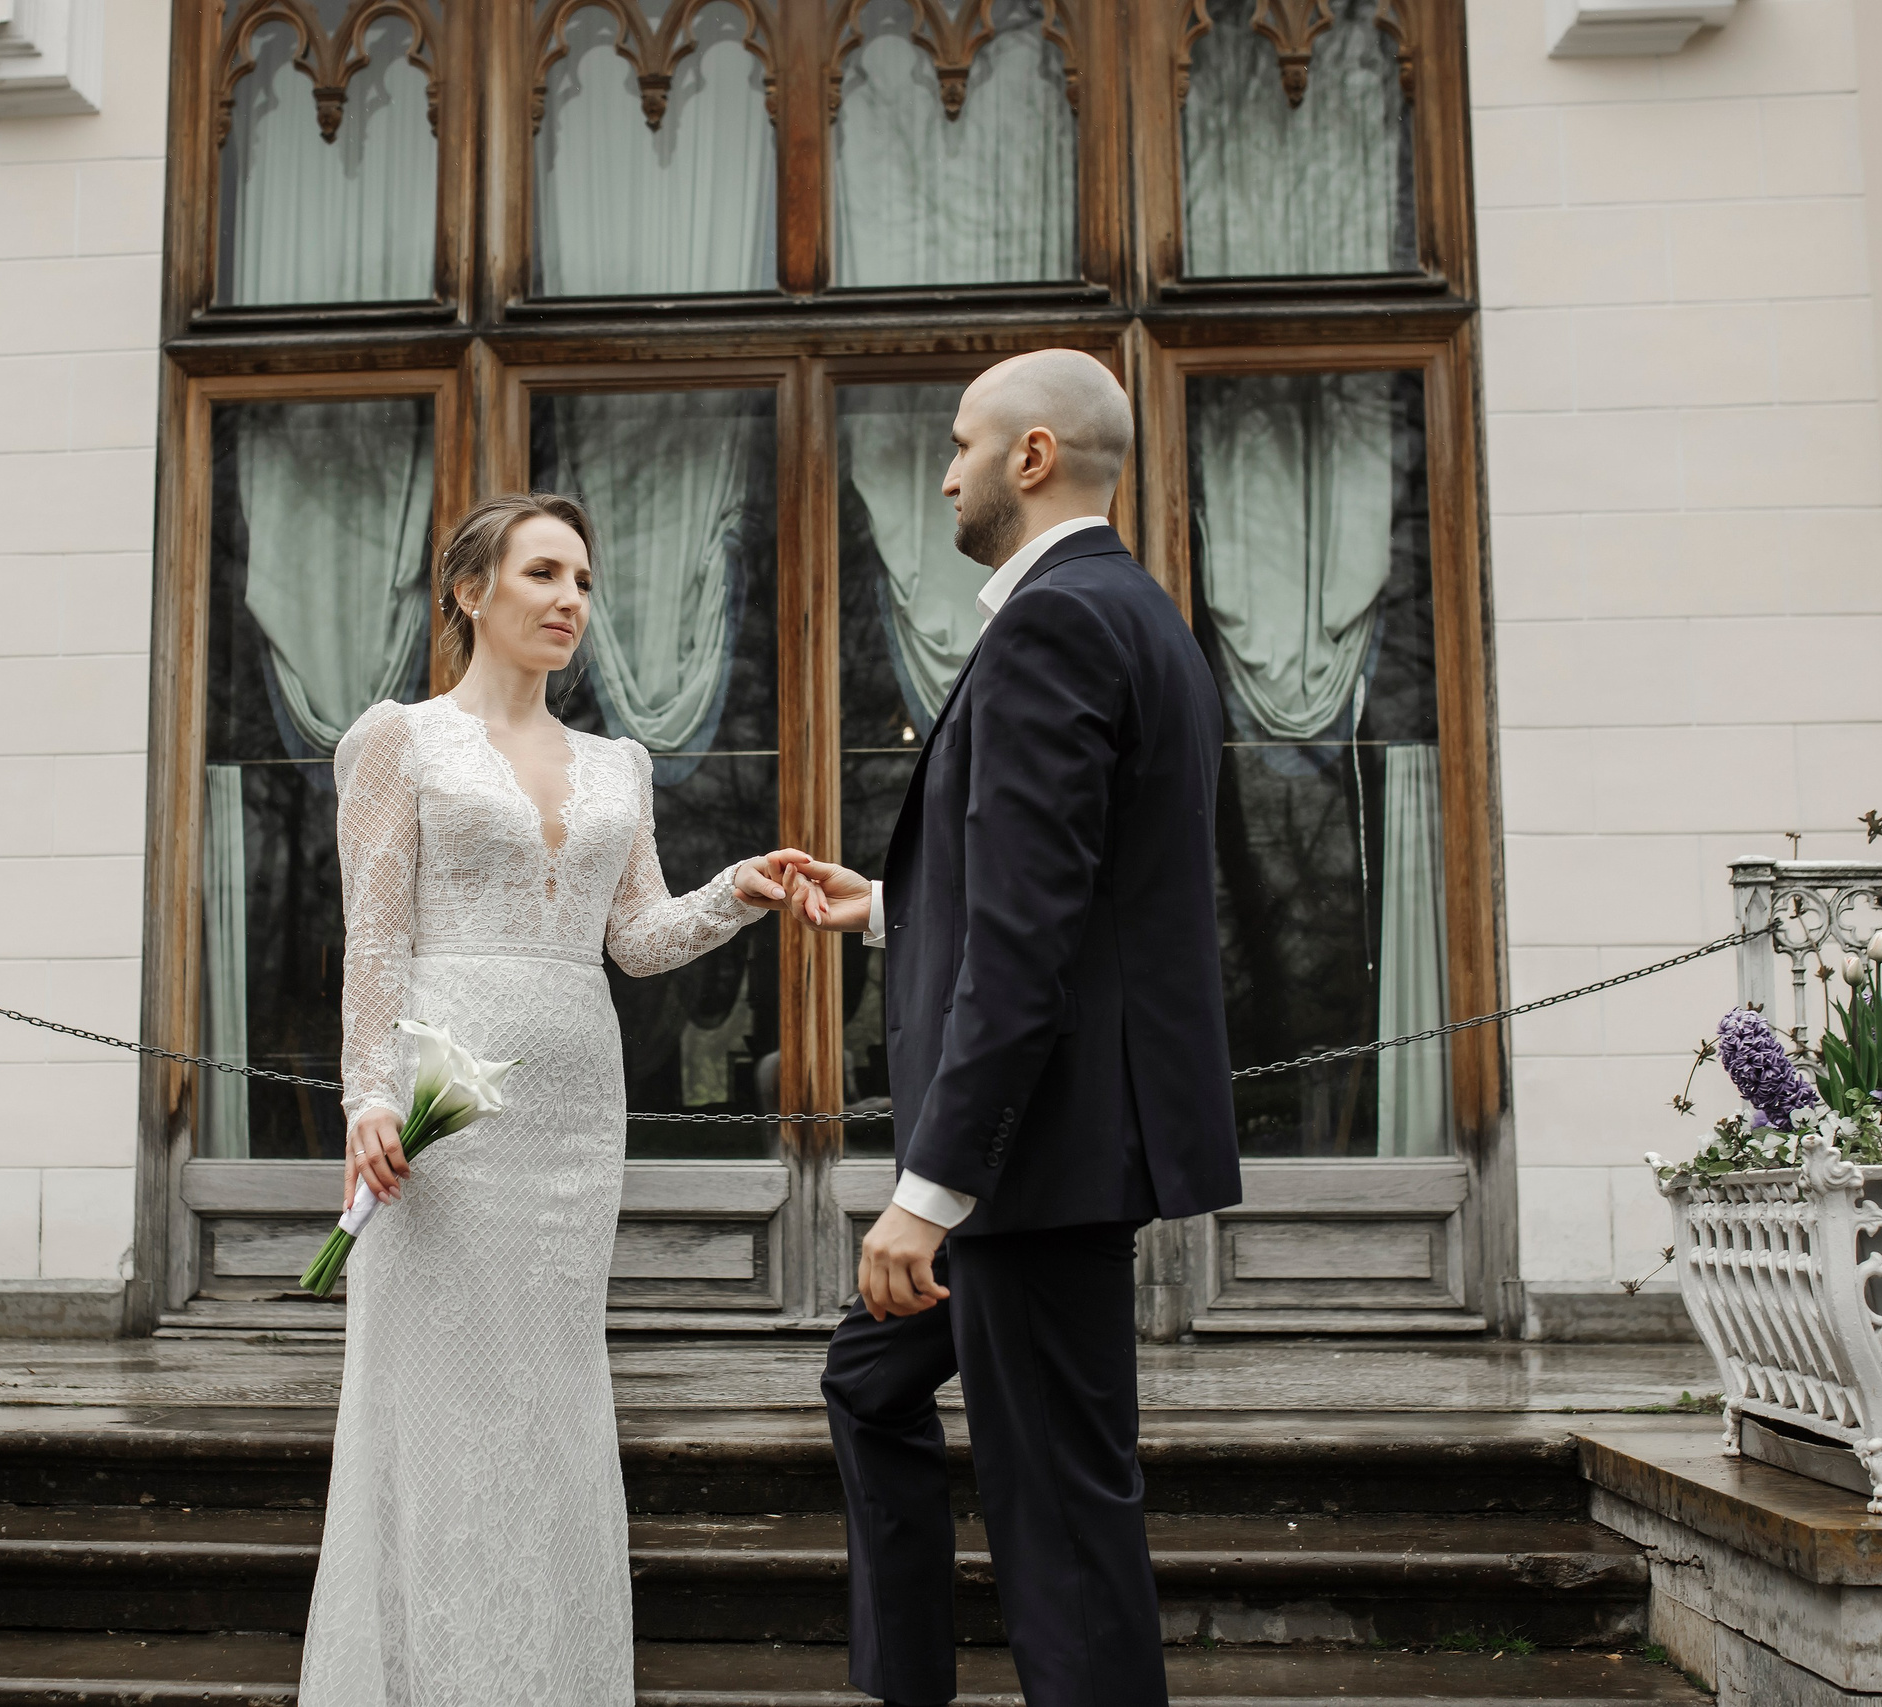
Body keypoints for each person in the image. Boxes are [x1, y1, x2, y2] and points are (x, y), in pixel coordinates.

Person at [782, 349, 1241, 1707]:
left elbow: (1036, 945)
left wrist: (928, 1194)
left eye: (960, 443)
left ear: (1030, 456)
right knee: (871, 1376)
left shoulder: (1055, 623)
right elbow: (1065, 906)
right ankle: (905, 1681)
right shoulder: (1130, 610)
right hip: (1057, 1145)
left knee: (1062, 1518)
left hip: (1034, 1169)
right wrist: (887, 911)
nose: (944, 470)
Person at [299, 492, 808, 1706]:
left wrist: (738, 888)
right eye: (542, 573)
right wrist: (368, 1097)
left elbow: (632, 939)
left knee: (548, 1400)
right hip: (443, 1110)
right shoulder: (397, 741)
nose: (570, 599)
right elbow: (375, 936)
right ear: (471, 593)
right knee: (436, 1403)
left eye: (581, 577)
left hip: (576, 1115)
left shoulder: (616, 763)